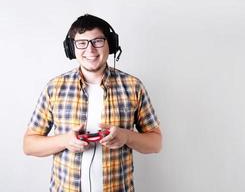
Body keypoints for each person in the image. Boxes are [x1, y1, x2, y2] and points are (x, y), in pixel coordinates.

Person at [23, 14, 162, 192]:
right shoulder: (54, 88)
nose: (90, 50)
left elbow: (156, 143)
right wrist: (65, 141)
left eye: (97, 41)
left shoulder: (133, 86)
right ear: (71, 48)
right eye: (82, 43)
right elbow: (29, 145)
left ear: (110, 44)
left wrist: (127, 137)